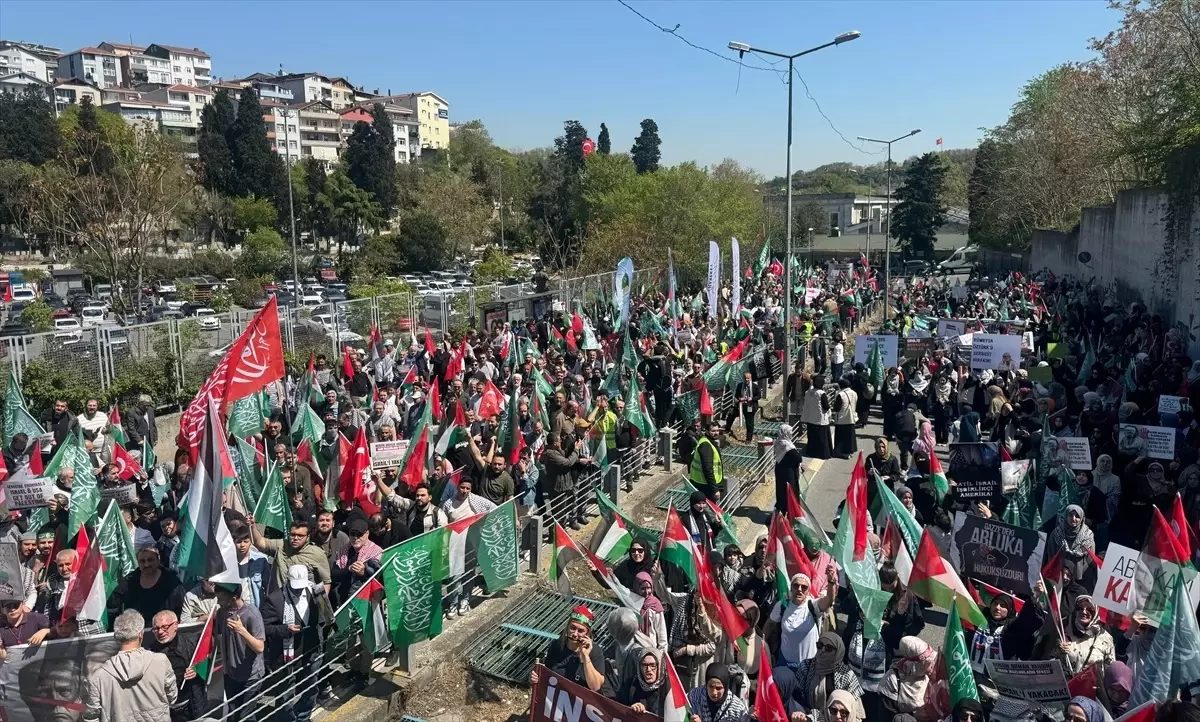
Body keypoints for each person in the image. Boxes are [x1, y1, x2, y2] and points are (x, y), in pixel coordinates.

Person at [83, 609, 176, 722]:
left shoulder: (99, 676)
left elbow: (91, 715)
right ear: (140, 634)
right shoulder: (160, 661)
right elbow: (172, 697)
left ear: (117, 636)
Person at [261, 565, 325, 722]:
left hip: (311, 648)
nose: (299, 590)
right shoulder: (274, 599)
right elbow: (264, 627)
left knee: (311, 686)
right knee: (285, 693)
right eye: (295, 587)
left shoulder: (314, 591)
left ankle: (303, 716)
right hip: (285, 655)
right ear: (287, 581)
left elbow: (325, 613)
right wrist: (284, 629)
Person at [778, 631, 863, 722]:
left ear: (838, 652)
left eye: (828, 648)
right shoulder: (806, 666)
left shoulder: (846, 674)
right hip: (807, 716)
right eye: (820, 645)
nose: (822, 650)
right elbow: (798, 695)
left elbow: (854, 707)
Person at [764, 566, 838, 667]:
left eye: (804, 587)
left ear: (808, 591)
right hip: (786, 664)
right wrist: (762, 642)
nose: (799, 589)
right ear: (791, 588)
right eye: (796, 586)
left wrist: (831, 582)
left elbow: (829, 600)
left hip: (809, 666)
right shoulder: (782, 605)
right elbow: (770, 624)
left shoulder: (813, 606)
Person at [213, 582, 266, 722]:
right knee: (233, 714)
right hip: (230, 674)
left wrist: (241, 631)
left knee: (245, 716)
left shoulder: (252, 614)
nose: (218, 602)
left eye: (220, 598)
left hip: (251, 676)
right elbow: (218, 639)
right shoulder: (221, 613)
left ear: (233, 598)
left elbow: (260, 647)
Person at [530, 604, 609, 694]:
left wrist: (585, 656)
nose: (575, 634)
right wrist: (535, 677)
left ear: (587, 633)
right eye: (572, 628)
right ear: (567, 627)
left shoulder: (595, 652)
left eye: (580, 631)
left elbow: (595, 686)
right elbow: (546, 673)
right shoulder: (557, 645)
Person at [247, 517, 332, 595]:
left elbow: (326, 582)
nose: (295, 538)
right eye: (292, 535)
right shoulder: (281, 545)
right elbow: (260, 543)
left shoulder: (317, 554)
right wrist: (252, 525)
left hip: (304, 600)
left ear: (307, 537)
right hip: (280, 598)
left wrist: (320, 604)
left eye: (300, 536)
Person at [148, 610, 207, 722]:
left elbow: (207, 662)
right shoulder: (150, 652)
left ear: (175, 625)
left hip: (193, 703)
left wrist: (196, 670)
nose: (160, 632)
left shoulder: (192, 642)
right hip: (166, 710)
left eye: (165, 627)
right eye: (156, 628)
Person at [879, 637, 948, 722]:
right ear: (916, 665)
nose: (932, 667)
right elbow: (887, 716)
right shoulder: (892, 679)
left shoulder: (928, 675)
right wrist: (913, 716)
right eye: (927, 663)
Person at [110, 547, 184, 621]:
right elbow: (113, 604)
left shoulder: (171, 580)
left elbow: (181, 607)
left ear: (158, 560)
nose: (146, 564)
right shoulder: (130, 580)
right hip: (137, 626)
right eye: (142, 561)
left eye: (150, 560)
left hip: (165, 625)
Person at [1055, 594, 1114, 676]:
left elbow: (1111, 670)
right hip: (1066, 682)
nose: (1084, 612)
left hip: (1092, 683)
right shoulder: (1063, 630)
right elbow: (1049, 663)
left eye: (1089, 609)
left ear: (1096, 612)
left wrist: (1096, 671)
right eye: (1080, 608)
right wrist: (1058, 651)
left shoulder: (1105, 638)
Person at [1046, 505, 1096, 584]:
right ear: (1066, 516)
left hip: (1081, 578)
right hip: (1059, 577)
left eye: (1077, 516)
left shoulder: (1087, 536)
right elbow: (1051, 554)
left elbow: (1090, 560)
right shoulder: (1057, 533)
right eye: (1070, 515)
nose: (1073, 519)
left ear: (1082, 518)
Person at [685, 663, 750, 722]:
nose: (714, 693)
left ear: (725, 687)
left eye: (718, 688)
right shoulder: (694, 697)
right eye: (711, 686)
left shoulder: (737, 709)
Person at [618, 649, 669, 715]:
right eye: (644, 665)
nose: (648, 670)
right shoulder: (632, 686)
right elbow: (618, 709)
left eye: (653, 665)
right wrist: (631, 709)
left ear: (660, 666)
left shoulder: (669, 687)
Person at [773, 424, 806, 514]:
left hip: (780, 469)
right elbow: (798, 458)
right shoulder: (786, 445)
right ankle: (789, 510)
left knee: (781, 490)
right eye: (789, 433)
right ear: (785, 433)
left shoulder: (779, 442)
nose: (791, 434)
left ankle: (782, 509)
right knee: (789, 491)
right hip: (788, 472)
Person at [689, 424, 725, 501]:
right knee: (707, 506)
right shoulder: (706, 445)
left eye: (717, 430)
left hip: (702, 482)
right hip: (706, 485)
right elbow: (707, 468)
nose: (716, 433)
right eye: (713, 431)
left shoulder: (706, 441)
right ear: (707, 431)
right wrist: (715, 489)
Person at [635, 571, 668, 651]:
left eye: (648, 588)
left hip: (650, 649)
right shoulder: (632, 602)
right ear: (636, 587)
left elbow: (661, 631)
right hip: (634, 649)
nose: (646, 592)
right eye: (643, 588)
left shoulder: (655, 604)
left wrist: (662, 651)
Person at [801, 376, 832, 460]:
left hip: (810, 419)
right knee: (822, 439)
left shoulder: (808, 392)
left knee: (812, 438)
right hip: (820, 420)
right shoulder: (821, 393)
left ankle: (811, 453)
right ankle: (823, 454)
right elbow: (826, 406)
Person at [831, 378, 858, 458]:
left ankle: (840, 452)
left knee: (840, 438)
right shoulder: (854, 393)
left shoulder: (841, 394)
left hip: (842, 419)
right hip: (851, 418)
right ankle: (849, 452)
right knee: (849, 437)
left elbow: (837, 408)